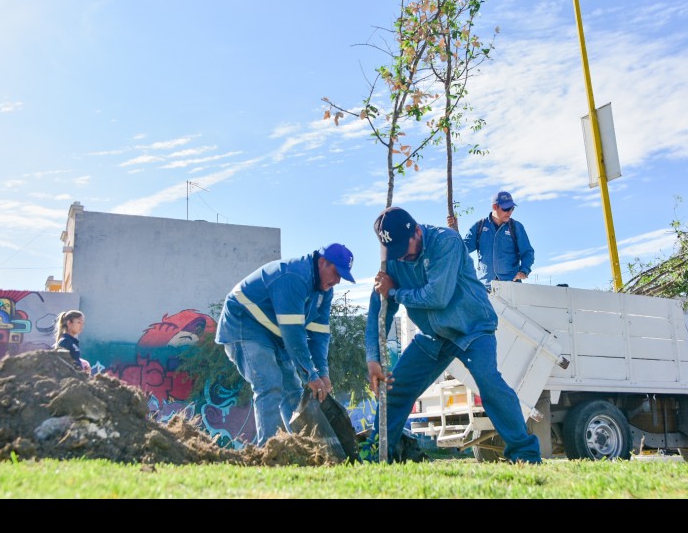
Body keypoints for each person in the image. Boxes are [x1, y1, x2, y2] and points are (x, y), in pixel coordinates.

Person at [366, 206, 541, 464]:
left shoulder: (446, 241)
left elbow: (438, 296)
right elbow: (377, 313)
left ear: (417, 230)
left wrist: (394, 292)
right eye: (394, 251)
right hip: (434, 336)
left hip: (472, 328)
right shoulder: (392, 259)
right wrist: (373, 359)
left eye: (404, 247)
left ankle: (525, 454)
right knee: (395, 389)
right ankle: (376, 455)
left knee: (489, 384)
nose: (401, 256)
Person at [215, 243, 356, 447]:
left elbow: (319, 336)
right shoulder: (294, 277)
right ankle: (268, 451)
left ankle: (304, 449)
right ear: (322, 262)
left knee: (294, 392)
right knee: (269, 384)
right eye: (336, 273)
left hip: (275, 335)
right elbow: (294, 334)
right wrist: (311, 375)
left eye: (342, 276)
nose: (337, 281)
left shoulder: (324, 292)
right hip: (244, 325)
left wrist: (323, 374)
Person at [447, 190, 534, 290]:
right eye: (506, 208)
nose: (510, 212)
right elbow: (462, 249)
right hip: (485, 287)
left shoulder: (516, 227)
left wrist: (524, 271)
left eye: (512, 208)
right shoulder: (479, 226)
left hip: (511, 286)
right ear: (495, 207)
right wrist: (453, 231)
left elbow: (528, 252)